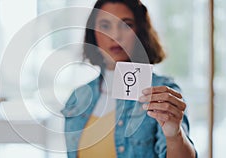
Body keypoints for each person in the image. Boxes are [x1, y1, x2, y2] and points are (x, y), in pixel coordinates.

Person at [61, 0, 198, 157]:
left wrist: (175, 136)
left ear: (140, 31)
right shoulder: (77, 99)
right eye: (105, 26)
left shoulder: (162, 92)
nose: (115, 35)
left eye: (126, 25)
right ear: (93, 33)